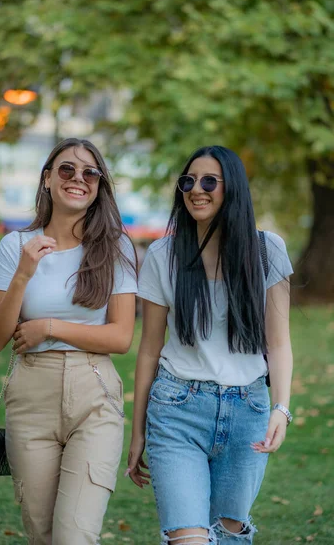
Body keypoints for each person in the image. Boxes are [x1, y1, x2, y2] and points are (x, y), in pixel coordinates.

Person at [126, 146, 293, 544]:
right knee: (189, 538)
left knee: (229, 536)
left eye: (208, 181)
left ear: (231, 188)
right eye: (188, 181)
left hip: (247, 412)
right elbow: (149, 349)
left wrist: (281, 409)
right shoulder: (163, 255)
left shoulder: (267, 251)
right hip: (176, 411)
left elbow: (280, 343)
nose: (195, 190)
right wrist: (137, 433)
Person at [0, 138, 137, 545]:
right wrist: (23, 273)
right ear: (48, 178)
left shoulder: (115, 246)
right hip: (31, 396)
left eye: (91, 172)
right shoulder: (16, 245)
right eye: (67, 169)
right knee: (43, 534)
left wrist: (49, 327)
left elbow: (121, 337)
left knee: (75, 536)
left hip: (94, 393)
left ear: (99, 185)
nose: (79, 179)